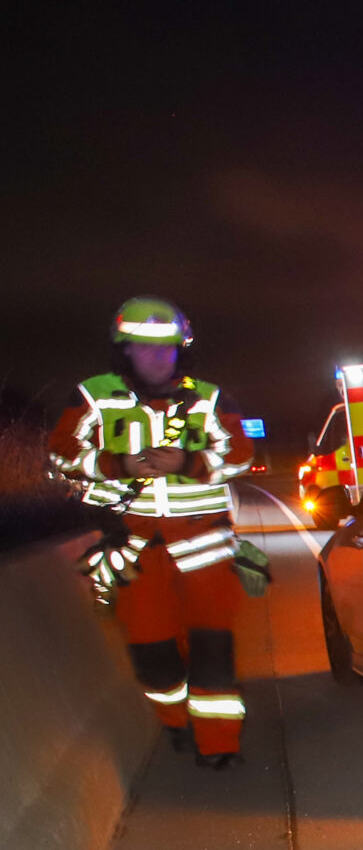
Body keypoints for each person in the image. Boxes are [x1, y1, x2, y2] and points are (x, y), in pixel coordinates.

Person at [48, 297, 259, 767]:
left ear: (181, 348)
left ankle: (219, 744)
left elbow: (242, 455)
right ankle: (176, 721)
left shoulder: (209, 397)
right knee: (153, 653)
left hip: (206, 547)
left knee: (213, 649)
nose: (156, 356)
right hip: (133, 549)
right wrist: (116, 464)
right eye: (144, 346)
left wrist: (189, 461)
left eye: (165, 346)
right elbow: (61, 453)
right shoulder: (94, 396)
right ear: (124, 348)